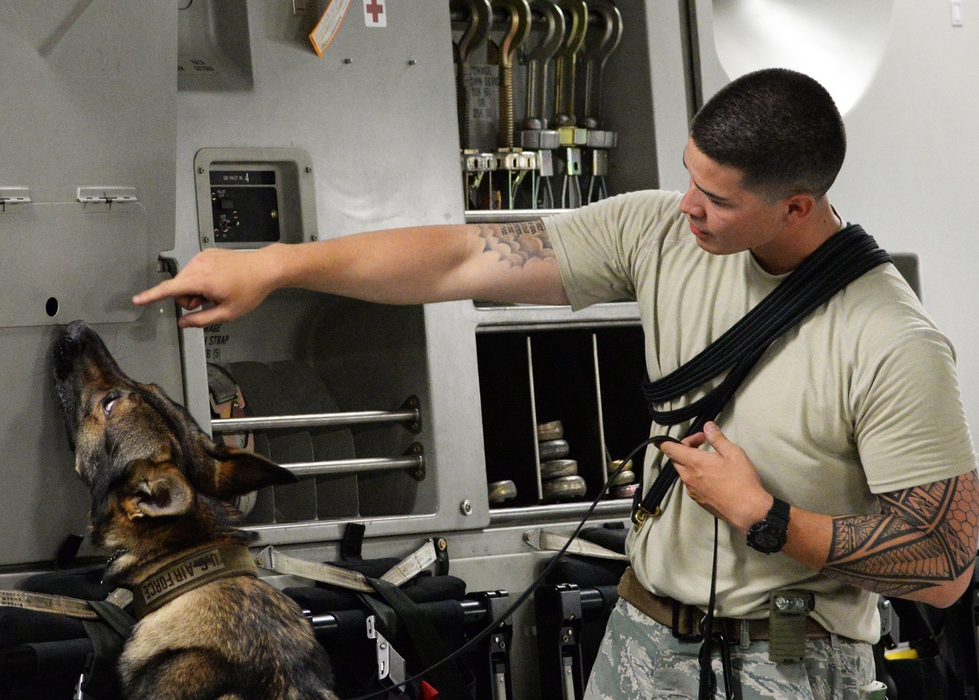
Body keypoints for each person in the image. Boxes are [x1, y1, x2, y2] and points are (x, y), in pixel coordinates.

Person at [135, 68, 979, 699]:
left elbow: (944, 565)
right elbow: (463, 255)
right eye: (689, 176)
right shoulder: (660, 232)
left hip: (791, 663)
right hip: (644, 637)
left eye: (716, 200)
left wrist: (764, 516)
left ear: (798, 207)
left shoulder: (893, 342)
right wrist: (278, 266)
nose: (687, 207)